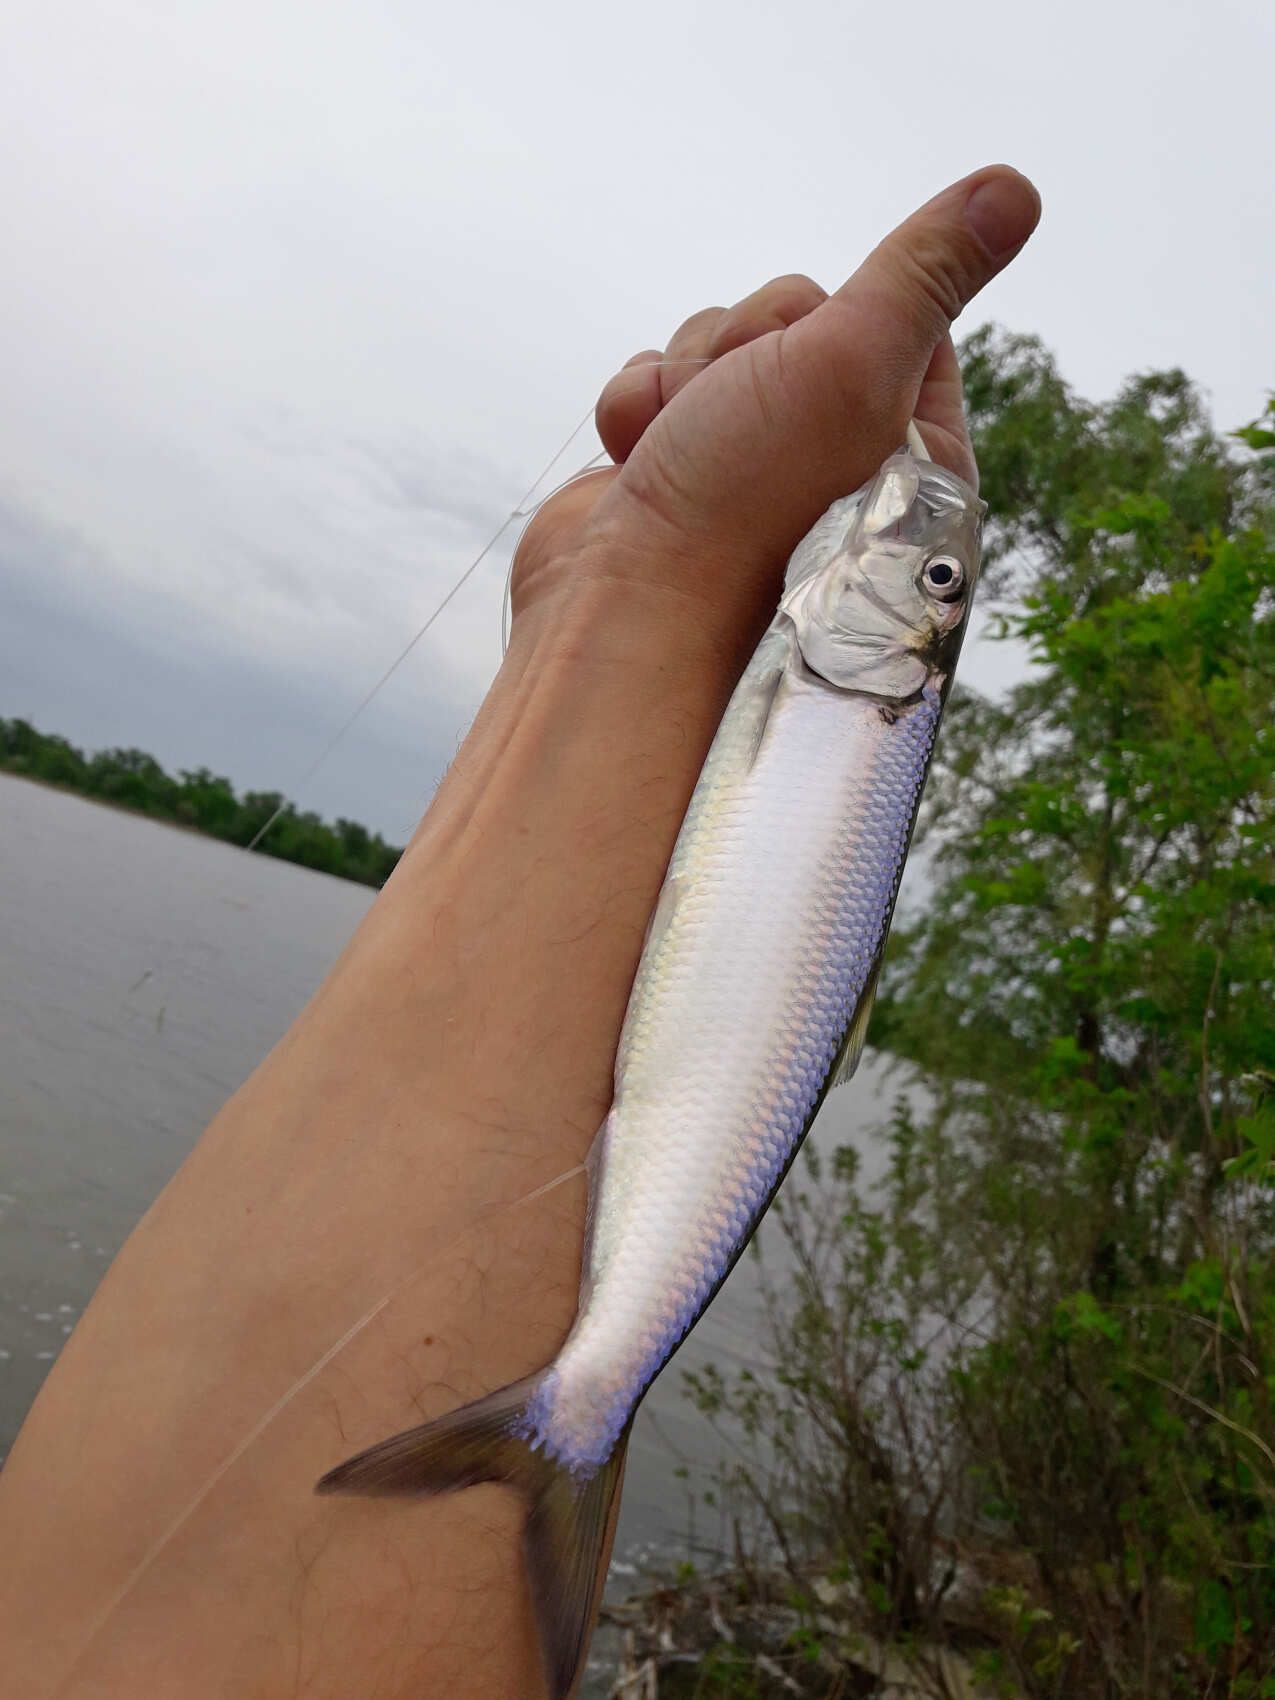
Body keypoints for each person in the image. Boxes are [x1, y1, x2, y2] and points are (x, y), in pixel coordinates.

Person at [0, 164, 1040, 1698]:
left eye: (928, 583)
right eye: (931, 577)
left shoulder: (854, 688)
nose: (914, 573)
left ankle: (568, 1416)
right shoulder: (842, 674)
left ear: (908, 640)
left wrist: (661, 574)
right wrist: (633, 583)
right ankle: (575, 1412)